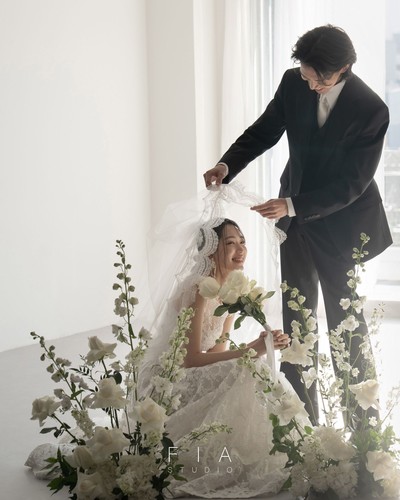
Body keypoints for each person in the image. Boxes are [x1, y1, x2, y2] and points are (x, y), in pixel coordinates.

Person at [203, 25, 392, 422]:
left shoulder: (371, 109)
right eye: (306, 76)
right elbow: (264, 130)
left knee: (346, 327)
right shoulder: (294, 82)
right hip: (296, 225)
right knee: (297, 320)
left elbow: (353, 184)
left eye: (318, 80)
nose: (311, 86)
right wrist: (227, 164)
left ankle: (362, 429)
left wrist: (291, 205)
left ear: (343, 68)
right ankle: (302, 424)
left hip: (342, 224)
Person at [140, 206, 309, 498]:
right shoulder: (197, 290)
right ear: (210, 250)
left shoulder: (230, 293)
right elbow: (192, 359)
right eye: (230, 243)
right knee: (250, 367)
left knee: (250, 369)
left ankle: (271, 448)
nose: (240, 249)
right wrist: (252, 351)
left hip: (191, 372)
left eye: (242, 241)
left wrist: (261, 345)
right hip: (168, 382)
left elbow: (219, 353)